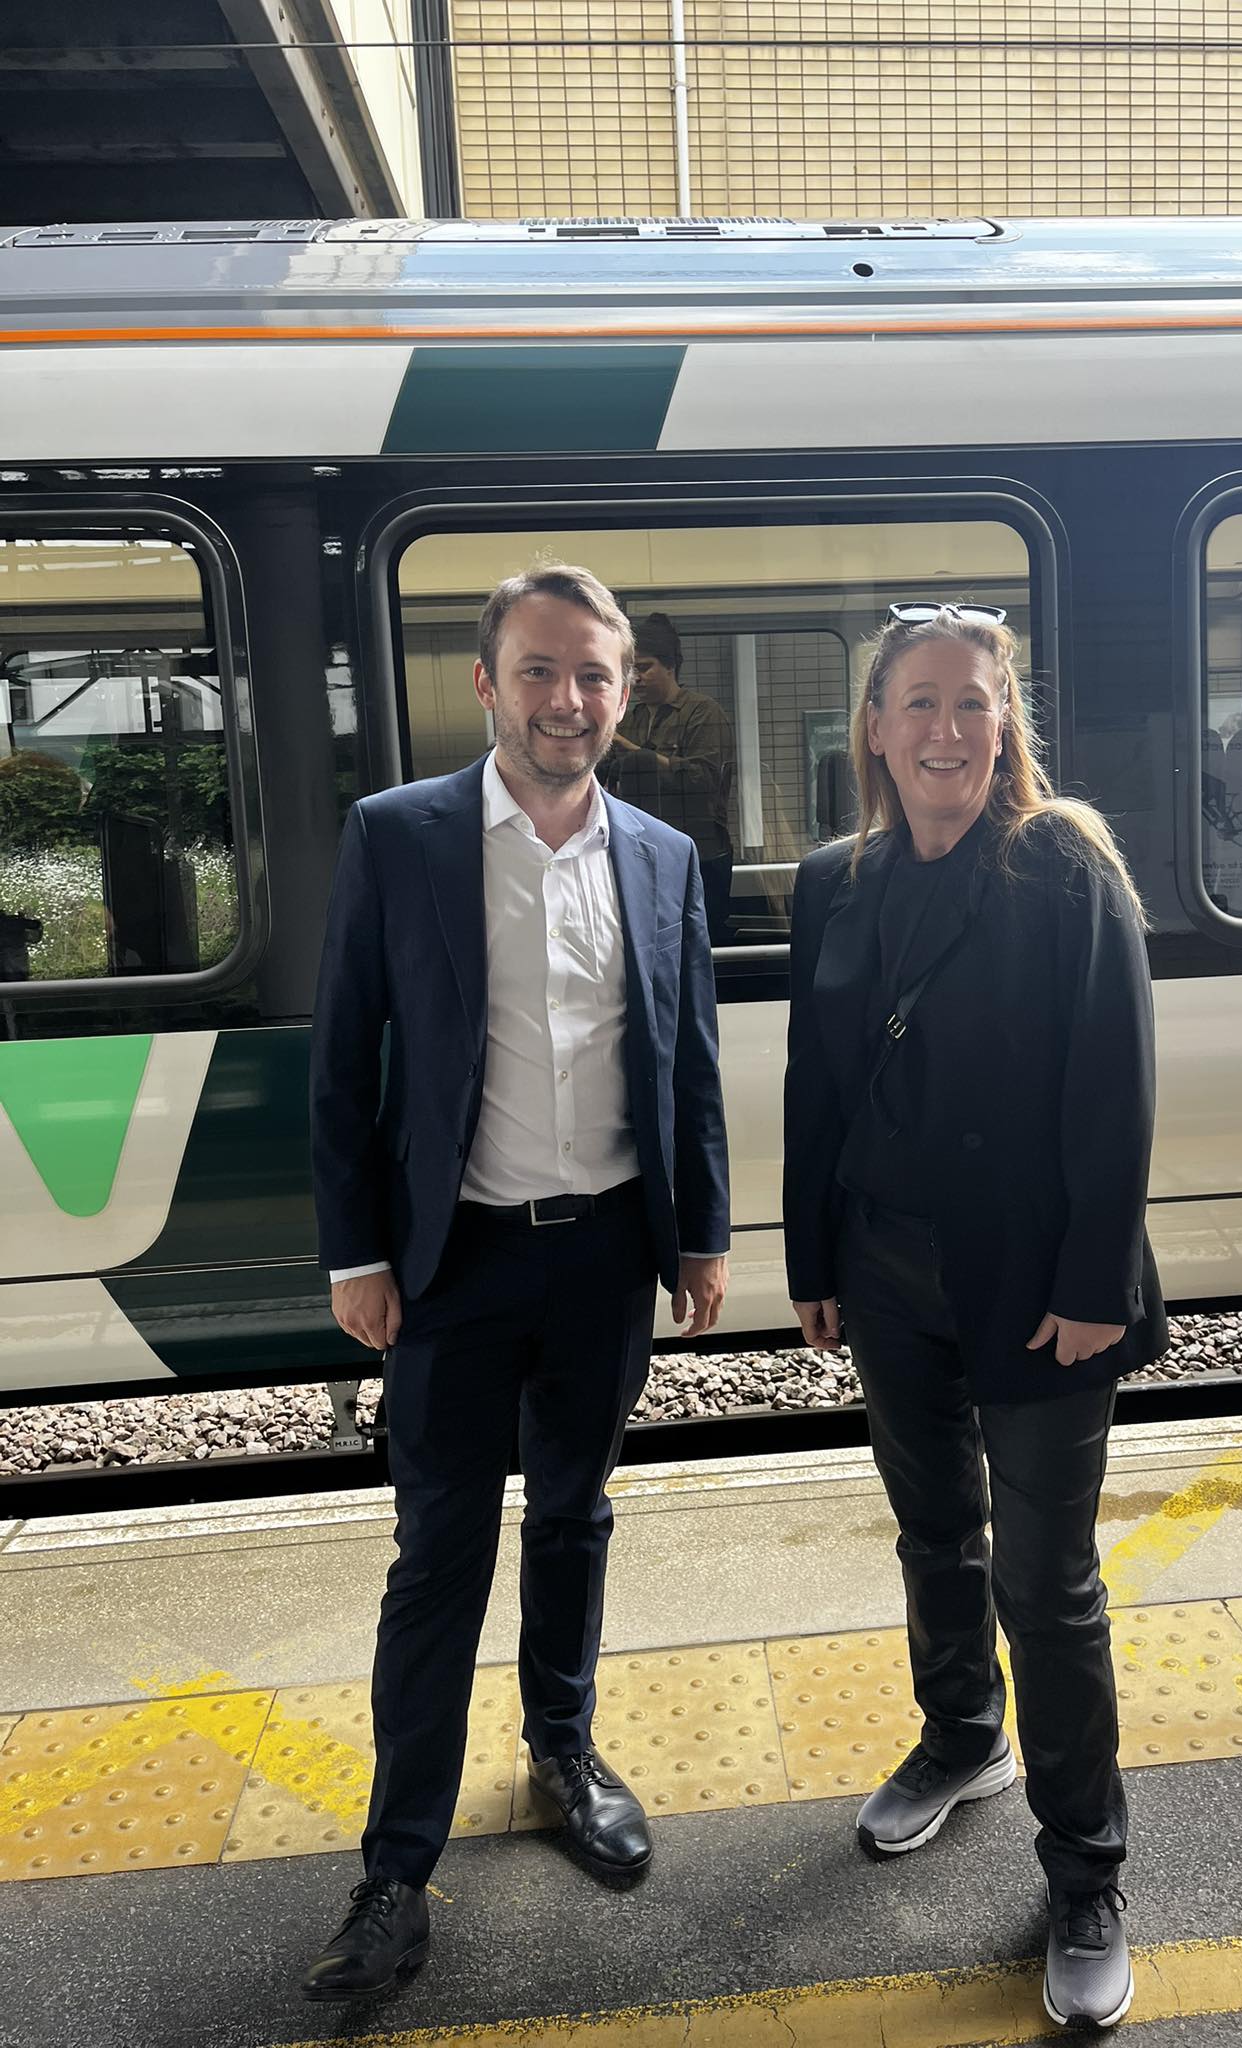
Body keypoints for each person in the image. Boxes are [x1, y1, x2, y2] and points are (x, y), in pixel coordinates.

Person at [304, 564, 730, 2001]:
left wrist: (701, 1233)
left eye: (594, 674)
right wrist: (359, 1252)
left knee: (573, 1516)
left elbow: (687, 1057)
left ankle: (564, 1754)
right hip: (457, 1264)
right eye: (540, 670)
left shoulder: (660, 855)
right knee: (439, 1554)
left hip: (605, 1253)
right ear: (487, 683)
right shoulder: (400, 834)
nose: (568, 699)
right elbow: (342, 1058)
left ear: (626, 689)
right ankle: (396, 1867)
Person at [782, 601, 1166, 2032]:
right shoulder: (835, 882)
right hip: (886, 1269)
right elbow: (816, 1083)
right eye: (920, 702)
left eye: (973, 702)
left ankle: (1086, 1874)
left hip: (1035, 1283)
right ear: (875, 730)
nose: (947, 727)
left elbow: (1115, 1083)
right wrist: (813, 1254)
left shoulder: (1064, 865)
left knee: (1047, 1584)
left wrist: (1092, 1284)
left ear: (1006, 726)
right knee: (934, 1527)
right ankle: (961, 1737)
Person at [601, 612, 737, 944]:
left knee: (700, 943)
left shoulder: (702, 712)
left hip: (700, 853)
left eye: (645, 668)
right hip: (642, 854)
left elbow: (704, 781)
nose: (636, 679)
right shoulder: (629, 719)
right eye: (630, 670)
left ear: (670, 666)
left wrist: (636, 753)